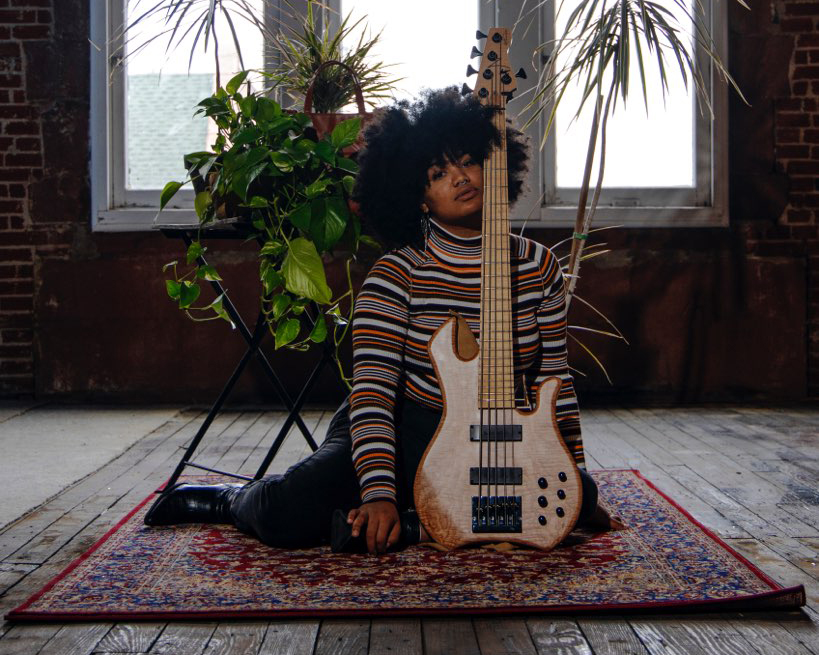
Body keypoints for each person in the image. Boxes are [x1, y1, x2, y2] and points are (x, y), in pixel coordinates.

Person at [145, 87, 616, 554]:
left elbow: (554, 380)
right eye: (437, 173)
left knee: (577, 500)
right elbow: (372, 392)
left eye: (468, 161)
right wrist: (378, 494)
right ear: (418, 198)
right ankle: (230, 500)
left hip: (497, 432)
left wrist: (572, 477)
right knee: (289, 512)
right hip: (401, 422)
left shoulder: (539, 267)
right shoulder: (397, 274)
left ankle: (411, 522)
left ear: (494, 166)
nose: (459, 177)